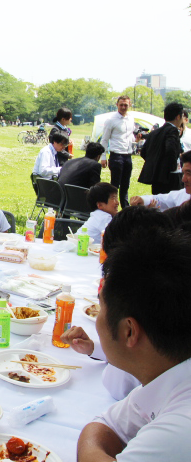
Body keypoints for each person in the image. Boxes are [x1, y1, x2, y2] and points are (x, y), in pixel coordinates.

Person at [76, 227, 191, 461]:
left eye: (101, 307)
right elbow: (105, 427)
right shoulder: (167, 377)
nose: (97, 320)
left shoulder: (178, 433)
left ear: (129, 331)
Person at [61, 206, 173, 401]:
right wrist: (95, 348)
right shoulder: (171, 283)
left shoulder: (135, 299)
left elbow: (118, 387)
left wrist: (111, 343)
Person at [100, 96, 140, 208]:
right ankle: (112, 208)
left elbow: (129, 136)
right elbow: (104, 139)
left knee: (125, 185)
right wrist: (103, 156)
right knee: (115, 186)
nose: (123, 107)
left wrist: (135, 140)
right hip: (116, 155)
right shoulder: (111, 120)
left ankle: (125, 208)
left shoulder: (131, 119)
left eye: (126, 105)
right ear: (117, 105)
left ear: (129, 105)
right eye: (121, 104)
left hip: (128, 155)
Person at [138, 102, 185, 195]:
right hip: (171, 176)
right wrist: (171, 166)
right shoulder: (173, 130)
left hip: (156, 176)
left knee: (159, 203)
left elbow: (143, 152)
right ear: (178, 117)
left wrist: (156, 162)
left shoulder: (154, 133)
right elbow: (171, 150)